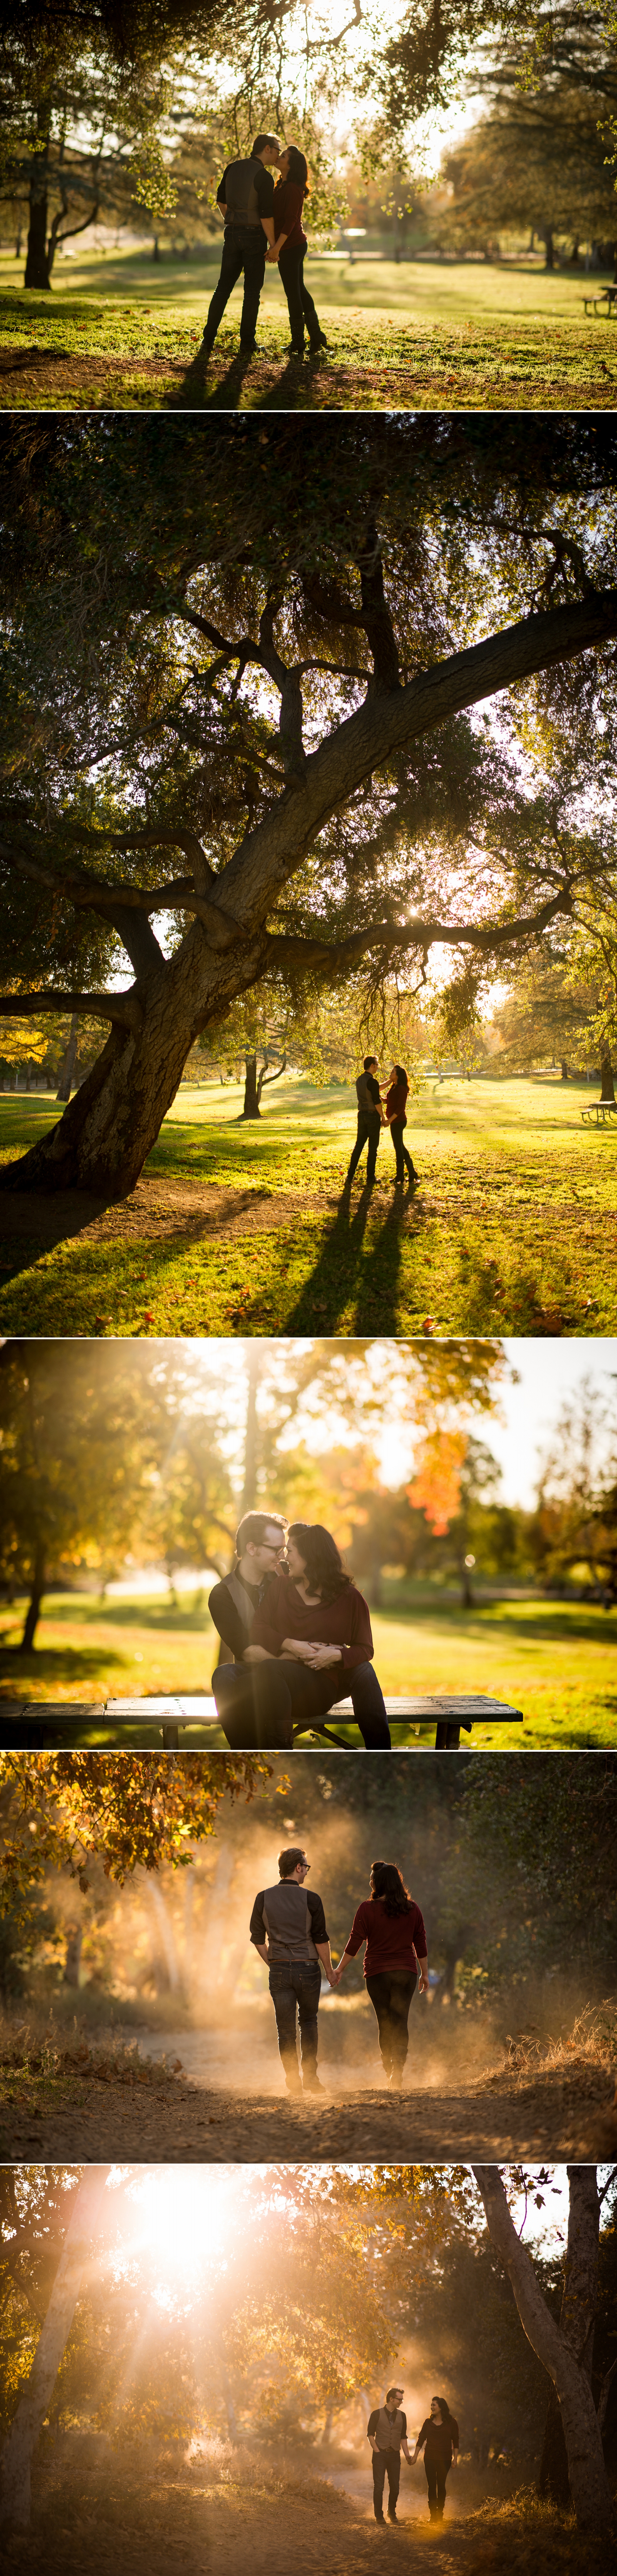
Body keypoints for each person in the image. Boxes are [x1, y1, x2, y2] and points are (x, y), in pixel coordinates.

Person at [244, 1521, 392, 1748]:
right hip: (281, 1687)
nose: (285, 1558)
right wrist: (293, 1646)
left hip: (322, 1688)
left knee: (364, 1669)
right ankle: (280, 1750)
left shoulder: (349, 1598)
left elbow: (366, 1649)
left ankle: (382, 1752)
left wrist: (335, 1656)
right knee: (269, 1669)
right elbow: (259, 1628)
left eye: (291, 1552)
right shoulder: (281, 1587)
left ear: (310, 1557)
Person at [249, 1842, 337, 2094]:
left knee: (285, 2029)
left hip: (279, 1971)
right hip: (308, 1969)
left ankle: (293, 2082)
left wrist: (274, 1962)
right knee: (309, 2023)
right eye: (306, 1867)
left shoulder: (263, 1898)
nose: (308, 1871)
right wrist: (330, 1971)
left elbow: (257, 1938)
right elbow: (321, 1939)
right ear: (298, 1868)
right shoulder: (312, 1899)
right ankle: (311, 2078)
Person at [331, 1861, 428, 2087]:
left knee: (385, 2022)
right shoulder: (412, 1909)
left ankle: (388, 2070)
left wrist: (339, 1970)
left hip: (378, 1974)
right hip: (406, 1973)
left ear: (377, 1883)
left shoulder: (367, 1909)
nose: (370, 1882)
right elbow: (420, 1942)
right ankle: (398, 2071)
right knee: (400, 2021)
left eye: (372, 1879)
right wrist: (424, 1973)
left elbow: (355, 1941)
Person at [208, 1511, 292, 1748]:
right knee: (224, 1675)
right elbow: (245, 1651)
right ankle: (247, 1751)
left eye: (284, 1550)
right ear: (252, 1548)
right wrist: (285, 1660)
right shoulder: (222, 1594)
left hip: (294, 1676)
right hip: (254, 1676)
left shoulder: (289, 1574)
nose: (282, 1556)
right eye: (276, 1550)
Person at [201, 134, 280, 358]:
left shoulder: (232, 168)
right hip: (254, 237)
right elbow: (266, 216)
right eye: (277, 151)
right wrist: (274, 246)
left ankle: (208, 341)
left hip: (232, 233)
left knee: (223, 288)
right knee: (252, 292)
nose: (278, 156)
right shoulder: (265, 177)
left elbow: (220, 200)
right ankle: (247, 343)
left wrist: (234, 220)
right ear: (267, 149)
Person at [267, 144, 327, 356]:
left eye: (283, 156)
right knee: (299, 290)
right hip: (290, 245)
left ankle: (299, 342)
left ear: (291, 165)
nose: (279, 158)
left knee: (293, 294)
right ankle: (317, 335)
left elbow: (292, 221)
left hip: (292, 246)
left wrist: (277, 248)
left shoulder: (292, 188)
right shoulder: (281, 185)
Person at [367, 2386, 412, 2525]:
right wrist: (376, 2450)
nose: (402, 2402)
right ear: (391, 2399)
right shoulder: (376, 2414)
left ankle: (391, 2512)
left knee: (395, 2487)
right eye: (400, 2399)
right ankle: (379, 2516)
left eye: (402, 2400)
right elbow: (370, 2435)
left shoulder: (402, 2416)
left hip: (395, 2455)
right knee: (379, 2486)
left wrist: (407, 2455)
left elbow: (403, 2437)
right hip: (380, 2455)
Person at [412, 2396, 459, 2523]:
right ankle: (433, 2515)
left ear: (441, 2407)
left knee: (441, 2485)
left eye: (434, 2405)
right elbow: (421, 2439)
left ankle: (440, 2514)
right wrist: (415, 2456)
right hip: (430, 2458)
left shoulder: (452, 2423)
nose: (432, 2407)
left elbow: (456, 2440)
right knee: (432, 2486)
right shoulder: (428, 2423)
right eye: (431, 2405)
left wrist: (455, 2459)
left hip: (445, 2459)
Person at [345, 1055, 384, 1187]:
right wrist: (383, 1118)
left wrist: (389, 1082)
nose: (378, 1067)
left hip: (361, 1115)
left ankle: (350, 1175)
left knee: (359, 1146)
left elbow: (373, 1092)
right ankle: (370, 1177)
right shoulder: (373, 1081)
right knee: (373, 1148)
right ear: (372, 1066)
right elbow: (377, 1102)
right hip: (373, 1116)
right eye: (377, 1065)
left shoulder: (360, 1080)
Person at [384, 1063, 418, 1187]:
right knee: (401, 1147)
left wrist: (389, 1121)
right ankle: (412, 1173)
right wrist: (381, 1100)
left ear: (398, 1076)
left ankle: (400, 1176)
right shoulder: (394, 1087)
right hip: (395, 1122)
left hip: (399, 1122)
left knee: (399, 1148)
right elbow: (391, 1101)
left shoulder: (402, 1089)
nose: (391, 1073)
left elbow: (400, 1108)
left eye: (393, 1072)